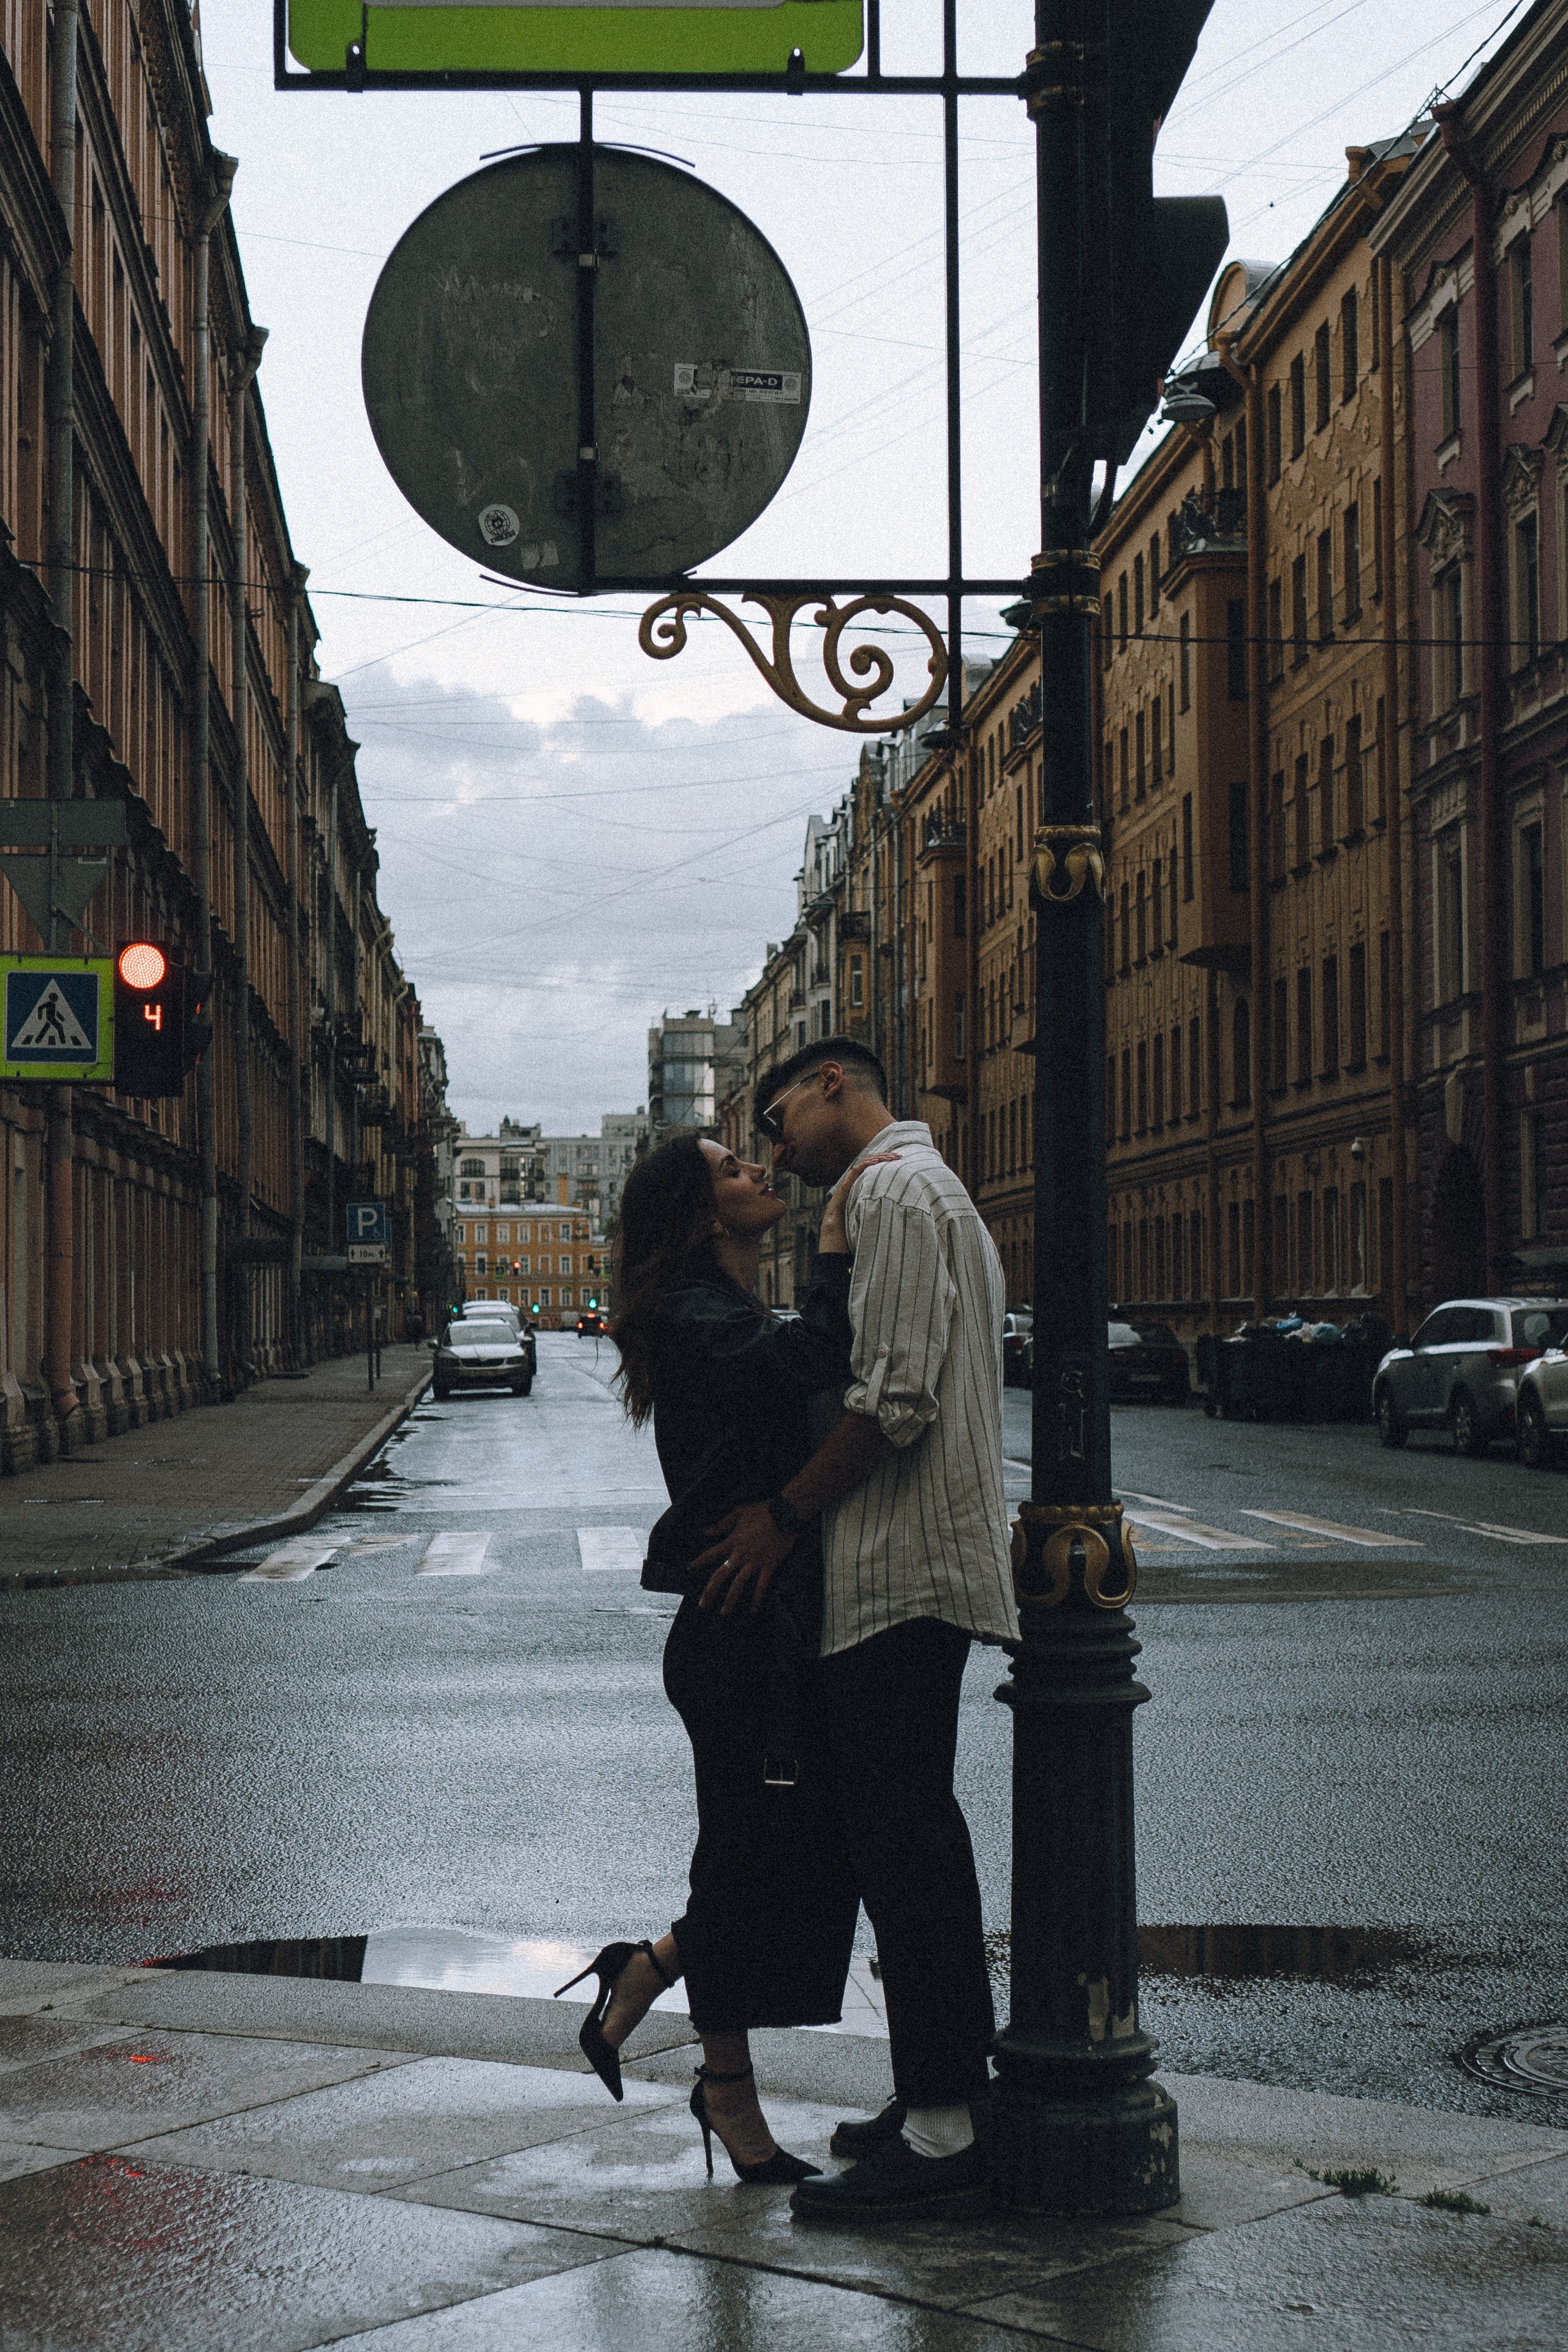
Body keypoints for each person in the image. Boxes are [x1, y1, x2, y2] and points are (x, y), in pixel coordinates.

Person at [693, 1039, 1019, 2223]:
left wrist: (783, 1517)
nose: (771, 1139)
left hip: (901, 1567)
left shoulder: (888, 1191)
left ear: (835, 1084)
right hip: (910, 1562)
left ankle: (943, 2135)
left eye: (775, 1113)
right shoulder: (907, 1193)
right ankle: (934, 2097)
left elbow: (893, 1398)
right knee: (903, 1842)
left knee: (911, 1851)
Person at [556, 1133, 870, 2185]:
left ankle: (644, 1978)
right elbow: (810, 1363)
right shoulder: (691, 1313)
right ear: (697, 1212)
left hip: (761, 1624)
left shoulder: (721, 1308)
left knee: (776, 1852)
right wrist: (835, 1247)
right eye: (734, 1169)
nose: (759, 1173)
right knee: (748, 1856)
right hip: (735, 1633)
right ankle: (724, 2089)